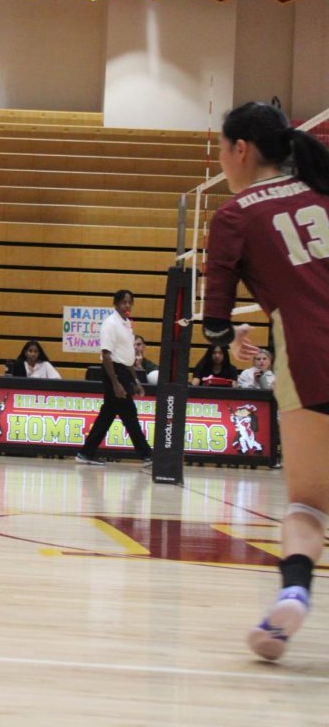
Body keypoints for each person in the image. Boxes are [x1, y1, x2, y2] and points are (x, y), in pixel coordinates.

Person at [200, 102, 329, 661]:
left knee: (308, 507)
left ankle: (294, 593)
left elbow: (215, 324)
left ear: (241, 150)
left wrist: (231, 337)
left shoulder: (233, 216)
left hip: (311, 360)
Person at [74, 290, 152, 467]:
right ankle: (147, 455)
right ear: (116, 304)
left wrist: (136, 381)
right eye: (124, 302)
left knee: (108, 415)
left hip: (124, 372)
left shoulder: (126, 324)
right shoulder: (110, 323)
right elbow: (106, 355)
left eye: (130, 302)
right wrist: (116, 383)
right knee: (129, 414)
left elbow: (128, 357)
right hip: (114, 373)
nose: (127, 306)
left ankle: (85, 453)